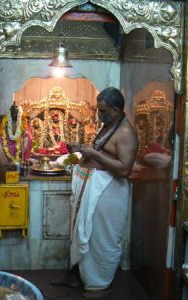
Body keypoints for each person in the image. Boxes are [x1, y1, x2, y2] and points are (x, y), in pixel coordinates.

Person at [67, 87, 139, 298]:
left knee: (103, 239)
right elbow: (101, 151)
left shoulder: (126, 133)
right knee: (91, 236)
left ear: (115, 110)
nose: (98, 115)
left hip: (110, 193)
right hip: (97, 190)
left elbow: (124, 169)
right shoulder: (110, 126)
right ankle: (88, 278)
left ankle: (100, 285)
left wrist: (93, 155)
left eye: (102, 111)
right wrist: (83, 149)